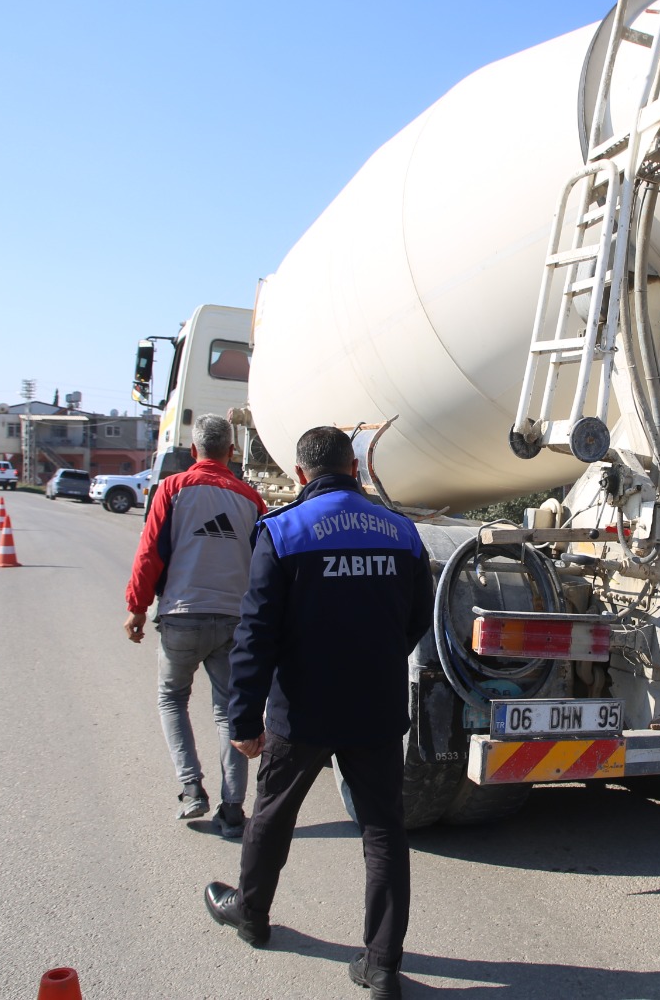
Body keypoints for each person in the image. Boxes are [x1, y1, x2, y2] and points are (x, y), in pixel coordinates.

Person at [204, 425, 432, 1000]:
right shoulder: (403, 534)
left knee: (273, 814)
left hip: (299, 710)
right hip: (374, 709)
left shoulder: (283, 532)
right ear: (354, 468)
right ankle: (382, 966)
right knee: (383, 832)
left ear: (302, 475)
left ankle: (251, 917)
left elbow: (256, 635)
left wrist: (243, 720)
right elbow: (417, 620)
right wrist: (378, 658)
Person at [125, 413, 266, 837]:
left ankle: (191, 790)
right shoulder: (250, 499)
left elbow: (150, 552)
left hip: (182, 616)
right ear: (232, 451)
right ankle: (233, 811)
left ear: (193, 450)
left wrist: (136, 606)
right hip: (234, 623)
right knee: (228, 714)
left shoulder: (172, 489)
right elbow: (263, 569)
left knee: (172, 699)